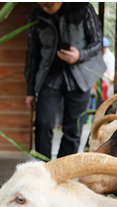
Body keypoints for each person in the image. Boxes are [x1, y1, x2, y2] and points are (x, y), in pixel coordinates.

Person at [24, 2, 105, 160]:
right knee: (42, 124)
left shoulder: (83, 8)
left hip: (80, 78)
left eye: (49, 4)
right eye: (41, 4)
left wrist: (80, 55)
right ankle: (44, 171)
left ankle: (63, 174)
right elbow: (32, 53)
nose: (45, 7)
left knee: (73, 130)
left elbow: (97, 42)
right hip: (50, 76)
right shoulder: (37, 14)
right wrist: (30, 90)